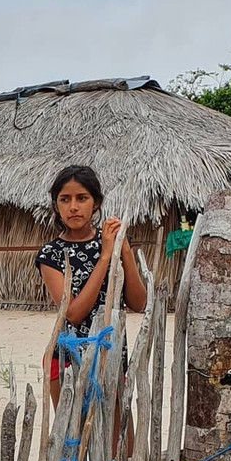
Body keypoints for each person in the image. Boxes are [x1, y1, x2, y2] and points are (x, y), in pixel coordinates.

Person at [35, 165, 148, 411]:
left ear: (95, 203)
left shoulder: (112, 242)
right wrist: (105, 256)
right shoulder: (51, 254)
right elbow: (74, 314)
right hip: (67, 359)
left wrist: (124, 250)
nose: (73, 206)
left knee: (119, 442)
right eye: (65, 199)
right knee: (71, 437)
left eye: (82, 198)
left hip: (112, 353)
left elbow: (139, 303)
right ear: (56, 206)